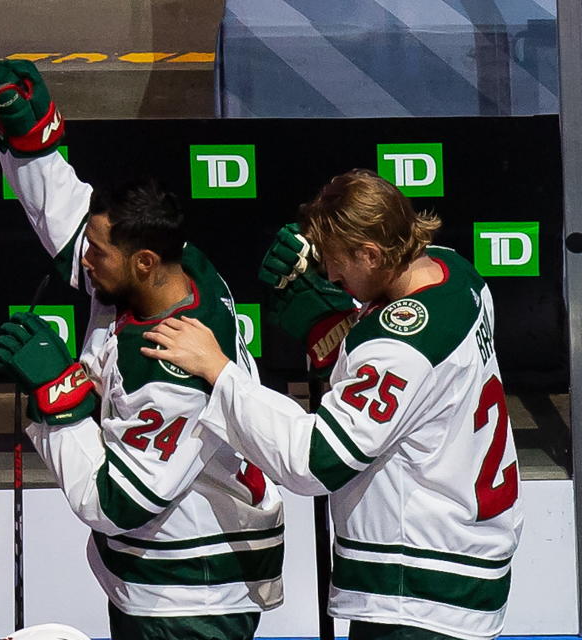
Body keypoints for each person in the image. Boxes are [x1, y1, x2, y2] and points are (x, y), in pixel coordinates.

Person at [0, 59, 284, 640]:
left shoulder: (174, 369)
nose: (84, 261)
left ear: (143, 262)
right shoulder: (175, 266)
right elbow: (71, 221)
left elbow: (114, 504)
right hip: (161, 577)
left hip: (191, 598)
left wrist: (58, 401)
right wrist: (31, 140)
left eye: (98, 254)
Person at [143, 169, 525, 640]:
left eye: (338, 261)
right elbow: (410, 389)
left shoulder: (396, 349)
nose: (330, 274)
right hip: (469, 556)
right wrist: (337, 326)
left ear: (371, 253)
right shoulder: (456, 271)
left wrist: (220, 372)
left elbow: (314, 461)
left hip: (418, 592)